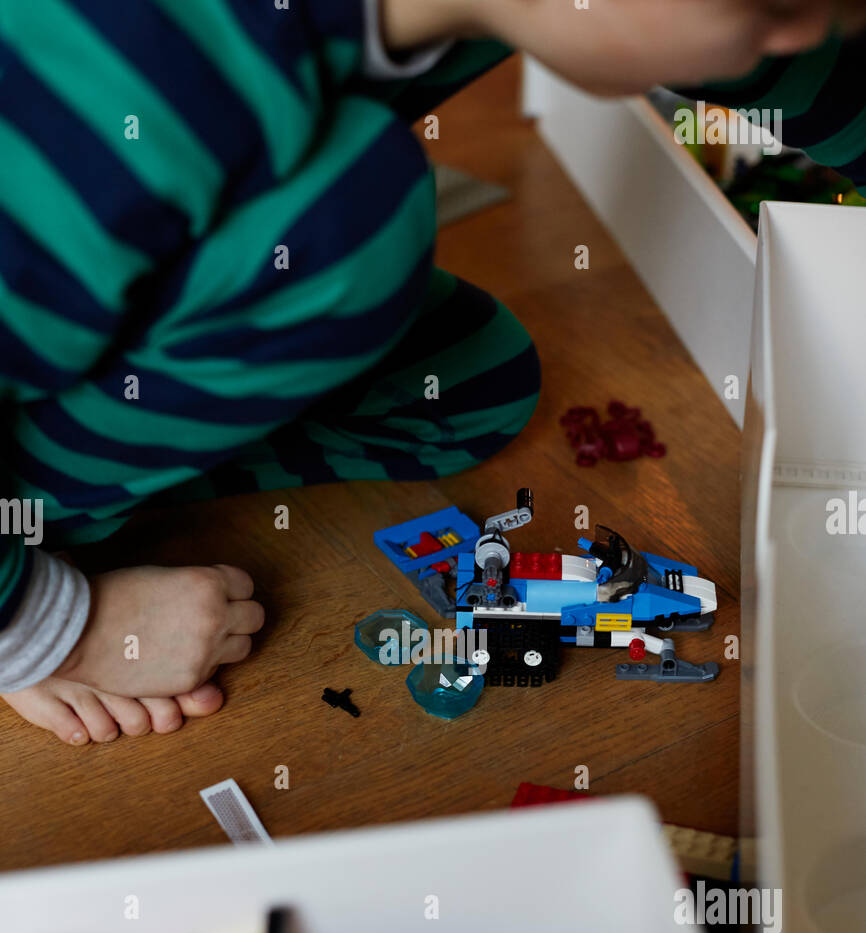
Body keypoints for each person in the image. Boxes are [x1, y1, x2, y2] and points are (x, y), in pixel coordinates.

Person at [0, 0, 862, 743]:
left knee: (469, 388)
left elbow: (818, 75)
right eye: (775, 2)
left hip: (92, 292)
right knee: (347, 226)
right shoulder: (107, 72)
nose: (809, 27)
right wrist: (54, 631)